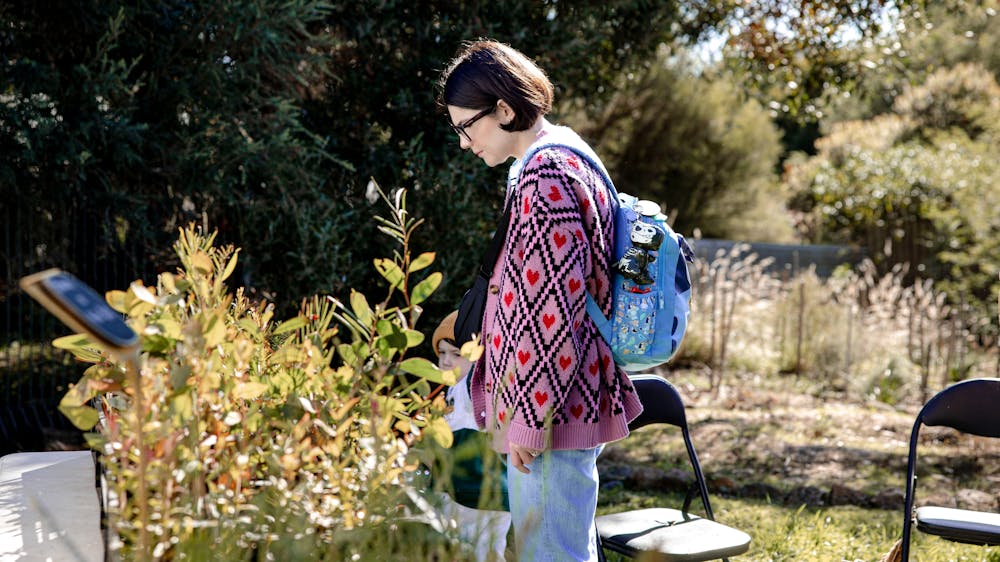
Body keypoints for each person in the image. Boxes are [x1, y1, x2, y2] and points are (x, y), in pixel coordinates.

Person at [437, 40, 644, 561]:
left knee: (551, 553)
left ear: (504, 109)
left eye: (467, 126)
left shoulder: (545, 175)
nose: (463, 142)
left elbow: (553, 312)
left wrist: (530, 418)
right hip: (558, 398)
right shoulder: (565, 154)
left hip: (549, 410)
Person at [429, 311, 512, 561]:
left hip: (480, 492)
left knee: (484, 552)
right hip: (457, 490)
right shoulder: (451, 390)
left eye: (456, 354)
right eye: (441, 352)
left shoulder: (474, 389)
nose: (445, 361)